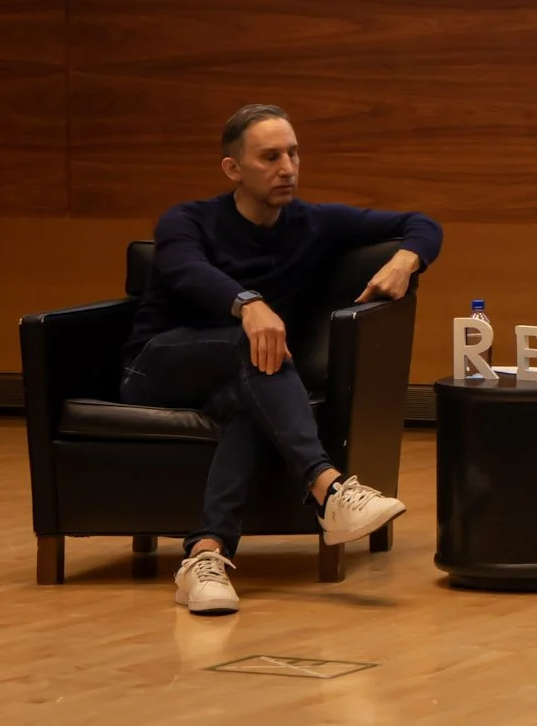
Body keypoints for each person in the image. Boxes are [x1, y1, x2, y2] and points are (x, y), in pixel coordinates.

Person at [120, 103, 444, 616]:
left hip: (248, 373)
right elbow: (185, 271)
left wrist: (407, 261)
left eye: (293, 153)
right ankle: (327, 486)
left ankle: (206, 555)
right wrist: (248, 304)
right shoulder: (187, 220)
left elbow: (420, 223)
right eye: (270, 157)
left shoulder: (312, 223)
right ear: (233, 168)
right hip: (158, 365)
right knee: (257, 344)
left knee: (251, 402)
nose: (287, 168)